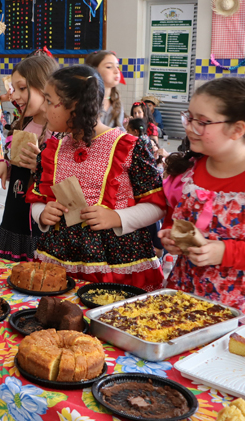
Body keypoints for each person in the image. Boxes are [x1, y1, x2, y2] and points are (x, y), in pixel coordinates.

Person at [26, 65, 165, 290]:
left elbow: (157, 205)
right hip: (60, 256)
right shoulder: (53, 150)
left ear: (75, 106)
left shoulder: (129, 147)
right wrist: (42, 213)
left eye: (50, 101)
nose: (43, 107)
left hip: (115, 261)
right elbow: (38, 199)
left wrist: (116, 218)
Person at [160, 77, 245, 309]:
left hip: (235, 308)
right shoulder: (186, 172)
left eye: (203, 122)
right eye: (189, 117)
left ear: (237, 129)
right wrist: (171, 237)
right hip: (183, 296)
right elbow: (172, 221)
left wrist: (226, 252)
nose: (189, 127)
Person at [0, 54, 58, 261]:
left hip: (41, 225)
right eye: (13, 89)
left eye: (22, 88)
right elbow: (17, 165)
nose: (14, 95)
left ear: (46, 86)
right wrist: (4, 165)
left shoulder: (61, 133)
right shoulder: (23, 125)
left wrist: (40, 167)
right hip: (13, 218)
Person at [86, 50, 124, 129]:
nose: (117, 71)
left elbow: (120, 130)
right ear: (94, 71)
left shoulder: (116, 102)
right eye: (109, 67)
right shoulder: (86, 101)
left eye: (117, 66)